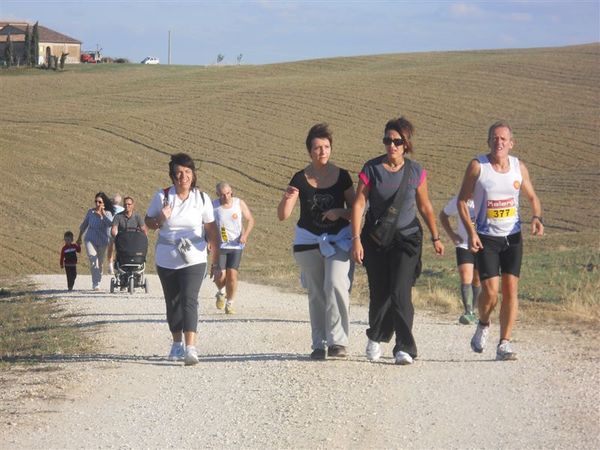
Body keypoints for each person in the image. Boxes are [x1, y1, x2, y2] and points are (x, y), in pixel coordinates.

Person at [351, 116, 444, 365]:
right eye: (387, 140)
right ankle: (375, 336)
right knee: (380, 293)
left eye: (396, 141)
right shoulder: (371, 169)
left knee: (400, 290)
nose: (391, 145)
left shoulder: (416, 171)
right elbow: (360, 203)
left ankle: (405, 347)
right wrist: (356, 239)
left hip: (407, 239)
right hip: (376, 239)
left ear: (406, 144)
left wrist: (436, 236)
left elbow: (424, 206)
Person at [458, 120, 543, 361]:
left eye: (503, 139)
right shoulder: (478, 166)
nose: (499, 142)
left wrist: (537, 217)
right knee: (491, 292)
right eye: (495, 138)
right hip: (487, 238)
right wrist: (471, 232)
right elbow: (462, 201)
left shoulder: (519, 167)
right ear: (488, 142)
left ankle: (504, 342)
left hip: (512, 237)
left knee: (511, 289)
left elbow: (532, 196)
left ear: (511, 143)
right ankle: (484, 323)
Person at [277, 123, 355, 360]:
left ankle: (338, 341)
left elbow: (356, 210)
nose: (323, 151)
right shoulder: (300, 178)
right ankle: (319, 343)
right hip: (308, 242)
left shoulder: (342, 177)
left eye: (326, 147)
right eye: (317, 148)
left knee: (335, 285)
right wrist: (287, 198)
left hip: (339, 240)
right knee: (316, 293)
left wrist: (340, 213)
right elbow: (283, 215)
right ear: (309, 151)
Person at [145, 152, 221, 366]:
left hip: (194, 257)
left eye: (187, 172)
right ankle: (176, 342)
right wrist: (161, 218)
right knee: (173, 301)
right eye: (178, 173)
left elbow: (212, 231)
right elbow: (148, 223)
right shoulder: (162, 196)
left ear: (193, 175)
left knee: (189, 298)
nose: (183, 176)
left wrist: (216, 263)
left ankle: (191, 348)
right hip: (166, 257)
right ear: (172, 176)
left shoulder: (202, 198)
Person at [212, 182, 255, 315]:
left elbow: (250, 220)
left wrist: (245, 235)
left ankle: (230, 303)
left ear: (232, 192)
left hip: (236, 245)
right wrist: (208, 240)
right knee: (220, 275)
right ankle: (221, 292)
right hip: (220, 246)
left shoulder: (238, 203)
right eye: (222, 195)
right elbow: (206, 225)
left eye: (228, 193)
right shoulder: (213, 206)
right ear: (218, 194)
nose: (226, 197)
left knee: (232, 275)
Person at [439, 194, 481, 324]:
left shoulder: (485, 198)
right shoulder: (460, 199)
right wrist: (452, 235)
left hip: (482, 244)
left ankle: (473, 311)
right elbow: (443, 215)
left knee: (477, 279)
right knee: (465, 276)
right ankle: (468, 311)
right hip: (464, 244)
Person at [76, 192, 114, 290]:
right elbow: (84, 224)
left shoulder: (108, 213)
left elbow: (110, 224)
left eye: (99, 202)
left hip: (102, 241)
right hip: (90, 239)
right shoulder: (90, 212)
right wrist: (79, 237)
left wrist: (102, 214)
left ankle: (98, 280)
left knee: (100, 263)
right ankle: (95, 283)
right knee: (94, 260)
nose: (97, 204)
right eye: (96, 201)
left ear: (103, 203)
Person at [107, 193, 125, 273]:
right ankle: (118, 264)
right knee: (119, 249)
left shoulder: (108, 209)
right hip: (119, 231)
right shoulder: (122, 209)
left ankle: (110, 265)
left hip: (109, 230)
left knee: (110, 248)